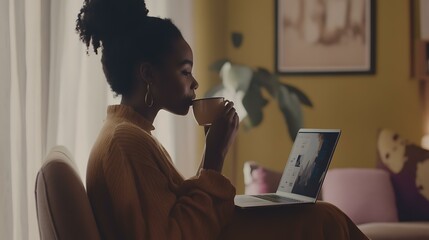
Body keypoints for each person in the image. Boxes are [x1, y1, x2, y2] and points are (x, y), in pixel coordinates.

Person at [76, 0, 369, 239]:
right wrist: (215, 156)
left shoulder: (129, 133)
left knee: (321, 216)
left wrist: (210, 150)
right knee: (325, 219)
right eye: (185, 71)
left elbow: (179, 213)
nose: (195, 83)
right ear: (148, 74)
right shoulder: (125, 142)